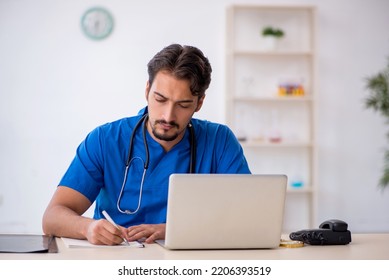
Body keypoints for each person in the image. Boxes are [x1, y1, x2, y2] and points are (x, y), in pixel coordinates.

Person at [42, 43, 251, 245]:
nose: (168, 116)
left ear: (199, 103)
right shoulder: (105, 140)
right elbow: (52, 217)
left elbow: (246, 215)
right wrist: (87, 228)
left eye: (183, 105)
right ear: (147, 90)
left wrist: (170, 230)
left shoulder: (219, 141)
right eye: (160, 99)